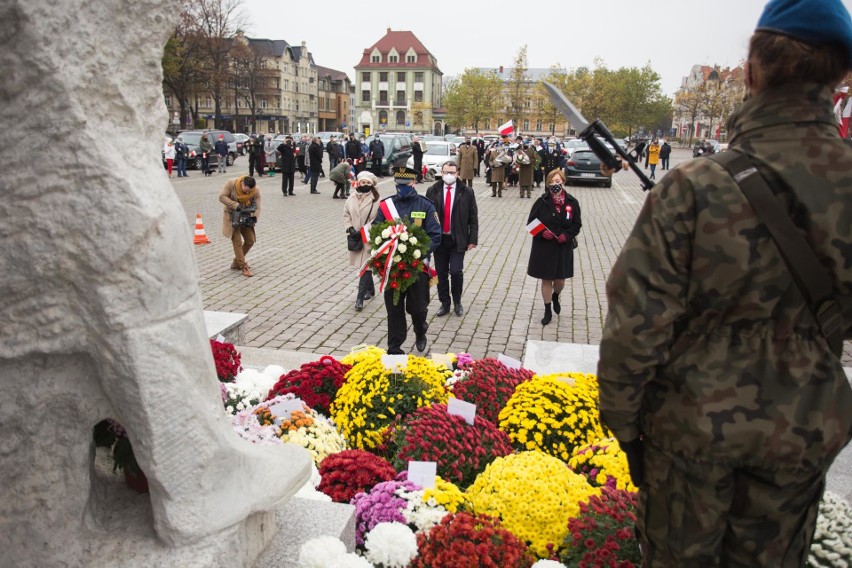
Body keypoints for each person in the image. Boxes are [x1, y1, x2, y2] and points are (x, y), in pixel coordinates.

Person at [597, 0, 852, 565]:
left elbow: (634, 327)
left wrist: (624, 424)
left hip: (689, 435)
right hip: (803, 431)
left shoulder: (693, 187)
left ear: (753, 71)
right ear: (840, 77)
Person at [373, 165, 442, 354]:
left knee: (418, 308)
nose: (401, 187)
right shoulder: (386, 206)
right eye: (398, 184)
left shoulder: (425, 205)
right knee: (394, 310)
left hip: (416, 266)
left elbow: (435, 235)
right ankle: (394, 347)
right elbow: (376, 232)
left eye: (405, 184)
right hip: (393, 268)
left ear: (413, 182)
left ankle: (420, 331)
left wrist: (418, 254)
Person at [526, 169, 582, 325]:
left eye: (558, 181)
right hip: (544, 247)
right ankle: (547, 310)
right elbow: (530, 224)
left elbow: (577, 224)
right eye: (552, 182)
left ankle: (556, 295)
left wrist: (567, 235)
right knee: (546, 279)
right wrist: (542, 232)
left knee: (560, 281)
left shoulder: (572, 202)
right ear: (548, 184)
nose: (555, 185)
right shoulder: (541, 202)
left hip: (563, 247)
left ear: (563, 182)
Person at [425, 160, 478, 317]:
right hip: (439, 240)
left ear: (458, 174)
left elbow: (473, 217)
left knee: (455, 271)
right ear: (441, 173)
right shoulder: (433, 190)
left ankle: (457, 301)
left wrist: (473, 238)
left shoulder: (467, 191)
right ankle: (445, 303)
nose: (449, 175)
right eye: (445, 172)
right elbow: (427, 216)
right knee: (441, 273)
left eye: (452, 173)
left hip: (458, 238)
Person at [344, 171, 381, 311]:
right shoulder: (351, 197)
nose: (364, 185)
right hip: (356, 236)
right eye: (362, 182)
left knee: (366, 266)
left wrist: (364, 229)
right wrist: (349, 228)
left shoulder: (377, 199)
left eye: (367, 183)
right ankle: (370, 290)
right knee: (364, 265)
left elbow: (377, 218)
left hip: (369, 237)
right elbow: (346, 213)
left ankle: (359, 299)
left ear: (372, 184)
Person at [219, 175, 261, 278]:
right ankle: (243, 266)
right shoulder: (231, 183)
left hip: (246, 216)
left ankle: (236, 262)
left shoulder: (255, 190)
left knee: (250, 240)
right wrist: (235, 205)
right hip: (232, 216)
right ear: (243, 184)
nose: (247, 193)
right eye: (246, 190)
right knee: (237, 241)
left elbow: (258, 207)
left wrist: (254, 218)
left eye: (249, 192)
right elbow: (222, 197)